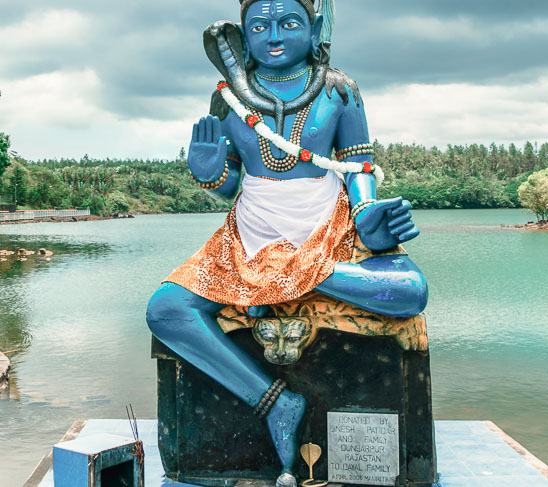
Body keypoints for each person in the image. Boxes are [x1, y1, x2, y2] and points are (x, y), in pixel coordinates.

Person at [145, 2, 427, 485]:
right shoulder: (229, 97)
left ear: (314, 29)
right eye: (260, 26)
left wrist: (367, 217)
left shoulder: (338, 89)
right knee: (166, 309)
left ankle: (290, 278)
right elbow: (229, 185)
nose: (273, 37)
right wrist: (208, 173)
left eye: (288, 23)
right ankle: (273, 400)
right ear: (243, 35)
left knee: (410, 292)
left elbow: (356, 167)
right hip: (250, 231)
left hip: (327, 224)